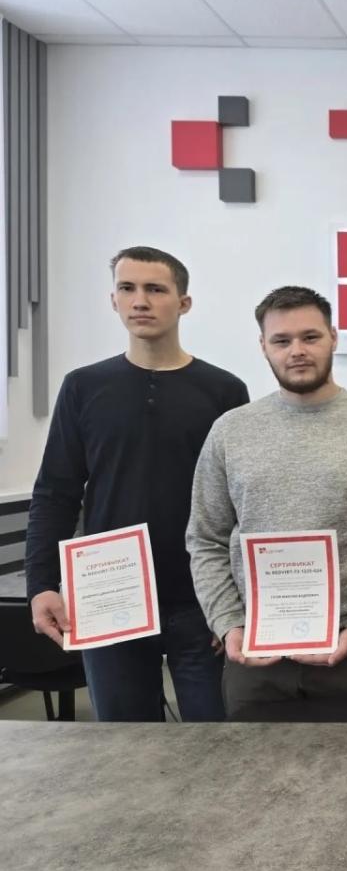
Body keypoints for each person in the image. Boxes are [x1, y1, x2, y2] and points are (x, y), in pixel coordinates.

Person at [25, 245, 248, 721]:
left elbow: (242, 503)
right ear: (114, 300)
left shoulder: (224, 391)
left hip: (202, 600)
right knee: (125, 747)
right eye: (127, 288)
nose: (140, 300)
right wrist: (41, 584)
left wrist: (237, 602)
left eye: (155, 289)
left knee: (220, 747)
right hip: (109, 597)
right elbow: (55, 493)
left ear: (184, 302)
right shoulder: (83, 387)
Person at [187, 286, 347, 715]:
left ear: (333, 337)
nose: (297, 351)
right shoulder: (230, 432)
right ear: (263, 346)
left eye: (310, 337)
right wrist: (229, 624)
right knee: (250, 760)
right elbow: (206, 539)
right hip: (255, 657)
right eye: (282, 340)